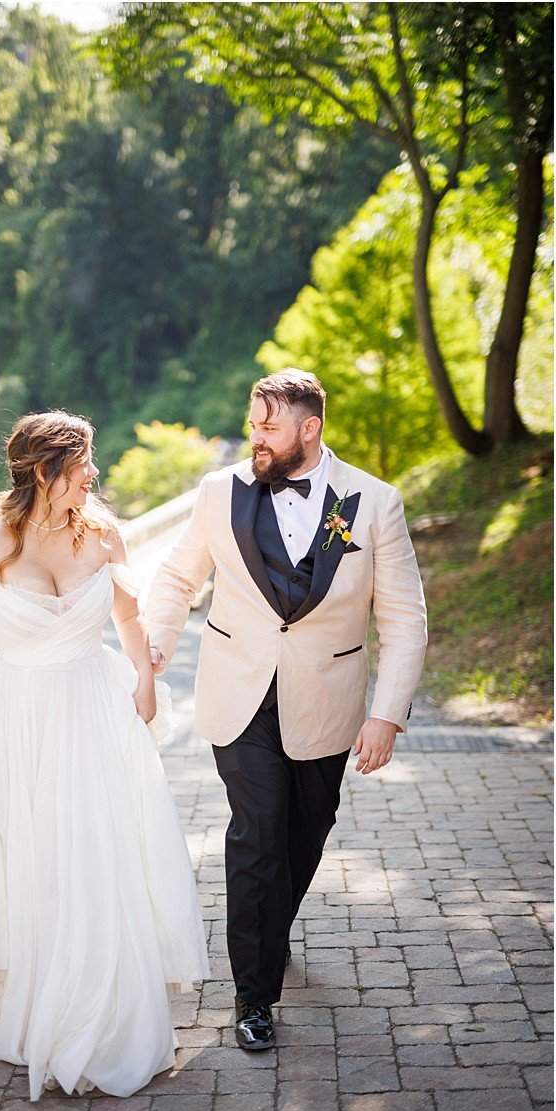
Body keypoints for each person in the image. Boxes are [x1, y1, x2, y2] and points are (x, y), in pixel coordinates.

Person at [0, 410, 209, 1099]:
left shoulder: (104, 532)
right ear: (45, 470)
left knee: (98, 853)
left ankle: (104, 1006)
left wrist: (144, 678)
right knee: (32, 856)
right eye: (82, 463)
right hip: (18, 719)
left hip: (94, 711)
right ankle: (31, 995)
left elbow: (130, 614)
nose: (93, 475)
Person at [144, 369, 427, 1051]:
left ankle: (273, 931)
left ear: (310, 428)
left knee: (307, 827)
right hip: (238, 694)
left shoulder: (373, 502)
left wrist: (385, 713)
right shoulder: (220, 492)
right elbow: (178, 576)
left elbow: (405, 617)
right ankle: (254, 994)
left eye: (268, 426)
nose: (255, 438)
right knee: (258, 832)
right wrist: (154, 644)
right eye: (251, 424)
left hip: (325, 702)